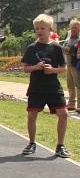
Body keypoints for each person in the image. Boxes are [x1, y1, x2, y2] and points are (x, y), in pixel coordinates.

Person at [21, 13, 70, 158]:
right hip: (36, 87)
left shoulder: (56, 48)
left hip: (53, 87)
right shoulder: (32, 48)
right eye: (37, 28)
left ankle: (60, 146)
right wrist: (35, 67)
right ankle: (31, 143)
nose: (39, 31)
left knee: (64, 114)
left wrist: (52, 70)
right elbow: (24, 67)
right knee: (31, 114)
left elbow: (63, 68)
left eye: (42, 28)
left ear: (50, 29)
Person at [62, 17, 80, 113]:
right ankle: (71, 104)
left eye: (76, 28)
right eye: (72, 27)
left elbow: (74, 50)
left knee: (78, 85)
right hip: (68, 64)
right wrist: (67, 49)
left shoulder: (79, 39)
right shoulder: (68, 38)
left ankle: (79, 105)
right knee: (70, 85)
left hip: (76, 65)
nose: (73, 29)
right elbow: (64, 49)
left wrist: (70, 50)